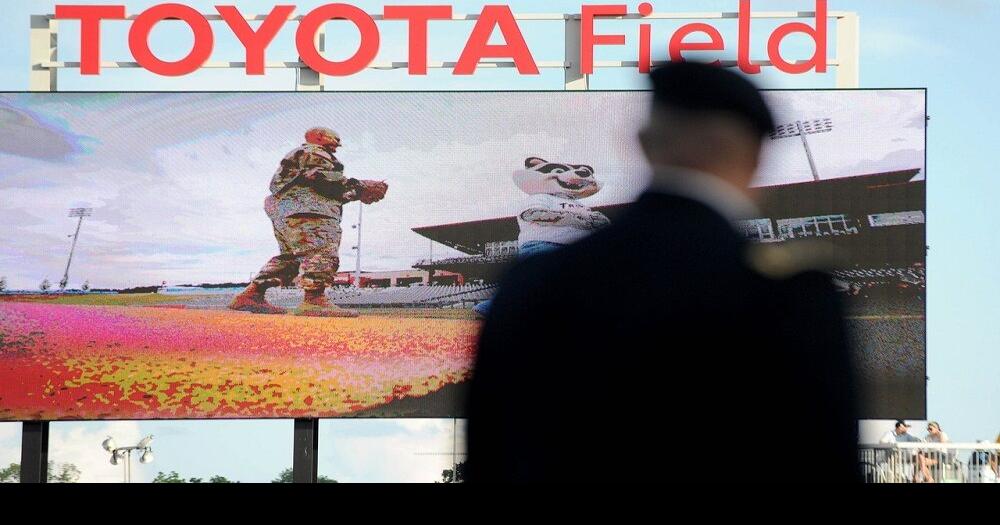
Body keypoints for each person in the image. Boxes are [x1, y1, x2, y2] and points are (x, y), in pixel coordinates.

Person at [465, 62, 858, 483]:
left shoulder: (535, 283)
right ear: (757, 154)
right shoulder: (790, 294)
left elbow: (492, 458)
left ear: (645, 143)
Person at [229, 127, 388, 317]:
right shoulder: (314, 151)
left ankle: (251, 295)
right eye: (334, 137)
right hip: (306, 212)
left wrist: (358, 193)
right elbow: (320, 179)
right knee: (320, 251)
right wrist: (362, 186)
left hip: (291, 210)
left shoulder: (303, 157)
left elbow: (325, 192)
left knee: (291, 259)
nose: (338, 143)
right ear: (317, 137)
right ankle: (314, 300)